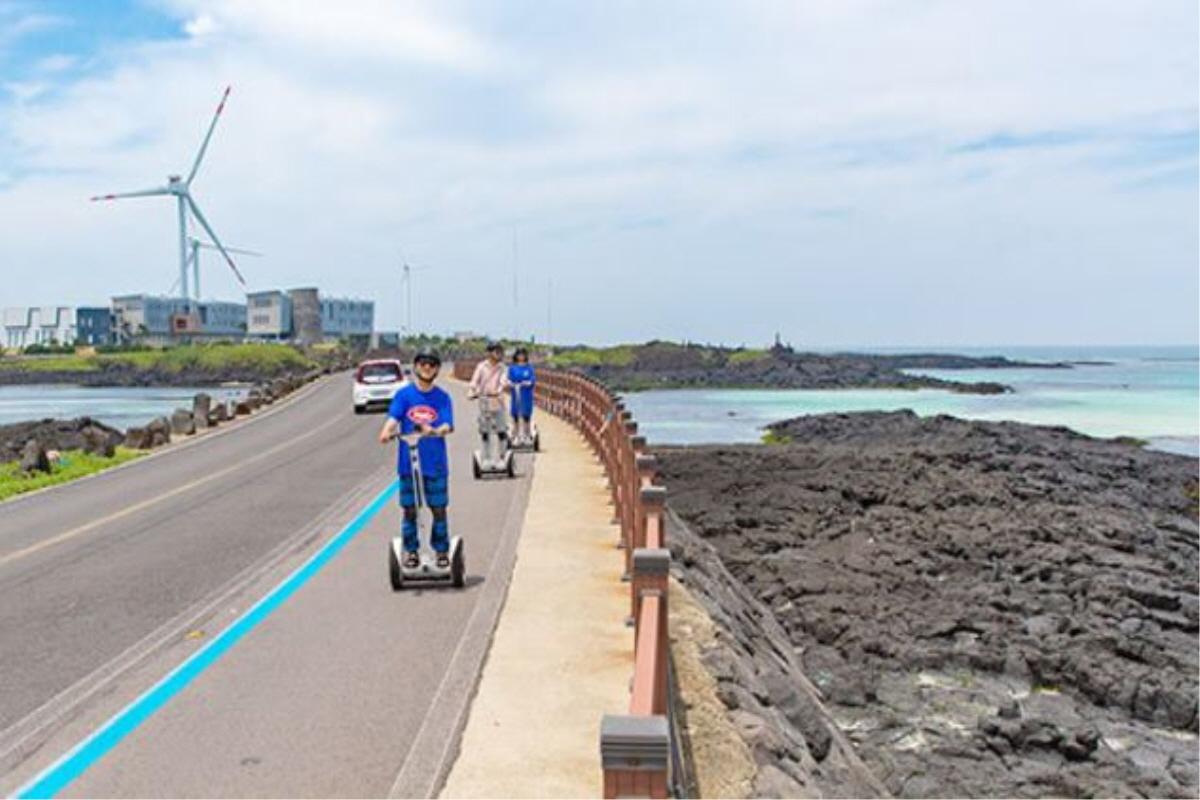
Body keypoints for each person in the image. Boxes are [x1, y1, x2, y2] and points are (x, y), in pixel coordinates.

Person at [378, 351, 454, 569]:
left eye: (432, 364)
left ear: (437, 369)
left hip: (435, 463)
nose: (427, 368)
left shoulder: (443, 397)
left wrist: (435, 430)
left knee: (438, 509)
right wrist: (386, 432)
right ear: (416, 367)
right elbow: (393, 418)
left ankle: (441, 551)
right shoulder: (404, 396)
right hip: (408, 464)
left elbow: (447, 425)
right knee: (409, 509)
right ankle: (411, 551)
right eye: (423, 364)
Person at [467, 341, 510, 456]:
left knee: (501, 430)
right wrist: (472, 391)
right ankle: (486, 457)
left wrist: (500, 389)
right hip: (484, 401)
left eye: (501, 351)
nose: (500, 354)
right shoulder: (481, 367)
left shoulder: (503, 368)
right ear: (490, 353)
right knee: (485, 431)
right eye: (497, 351)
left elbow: (503, 380)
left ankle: (503, 455)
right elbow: (474, 381)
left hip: (498, 401)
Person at [507, 347, 536, 441]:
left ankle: (527, 434)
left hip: (526, 393)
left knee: (526, 414)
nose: (521, 356)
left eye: (523, 354)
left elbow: (532, 379)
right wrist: (510, 383)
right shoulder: (512, 368)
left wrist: (529, 383)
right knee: (515, 414)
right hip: (515, 393)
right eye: (519, 354)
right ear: (516, 356)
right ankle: (515, 434)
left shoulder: (529, 368)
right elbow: (508, 378)